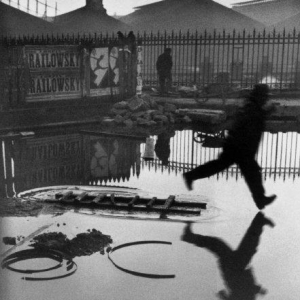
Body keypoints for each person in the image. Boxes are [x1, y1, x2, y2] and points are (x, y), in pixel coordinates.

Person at [183, 84, 276, 210]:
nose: (265, 99)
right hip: (239, 148)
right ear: (260, 96)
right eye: (264, 96)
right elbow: (251, 121)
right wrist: (266, 112)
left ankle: (191, 175)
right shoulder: (252, 108)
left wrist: (266, 112)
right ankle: (260, 199)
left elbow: (254, 117)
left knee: (224, 167)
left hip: (238, 147)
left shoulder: (252, 106)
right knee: (251, 173)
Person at [181, 212, 275, 300]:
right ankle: (259, 221)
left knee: (243, 244)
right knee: (248, 244)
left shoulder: (247, 297)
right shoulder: (248, 296)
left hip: (234, 270)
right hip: (237, 268)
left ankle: (189, 236)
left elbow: (245, 291)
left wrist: (259, 290)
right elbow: (248, 290)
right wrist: (259, 290)